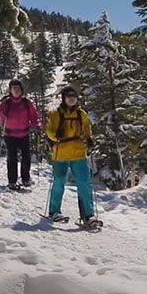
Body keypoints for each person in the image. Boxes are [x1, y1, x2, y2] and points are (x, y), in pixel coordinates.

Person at [44, 86, 102, 227]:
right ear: (64, 98)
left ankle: (88, 215)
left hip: (78, 154)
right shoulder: (56, 114)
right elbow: (49, 130)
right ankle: (54, 211)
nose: (71, 99)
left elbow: (87, 129)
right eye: (68, 96)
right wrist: (55, 136)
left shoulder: (81, 114)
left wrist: (89, 139)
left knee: (85, 184)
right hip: (61, 154)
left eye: (73, 96)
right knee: (59, 183)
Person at [0, 79, 41, 189]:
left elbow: (34, 116)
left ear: (21, 90)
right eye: (14, 88)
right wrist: (1, 115)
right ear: (10, 90)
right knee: (12, 158)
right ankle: (12, 181)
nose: (16, 90)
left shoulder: (27, 103)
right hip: (10, 135)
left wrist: (37, 125)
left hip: (24, 134)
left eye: (18, 88)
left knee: (26, 157)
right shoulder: (6, 104)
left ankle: (26, 178)